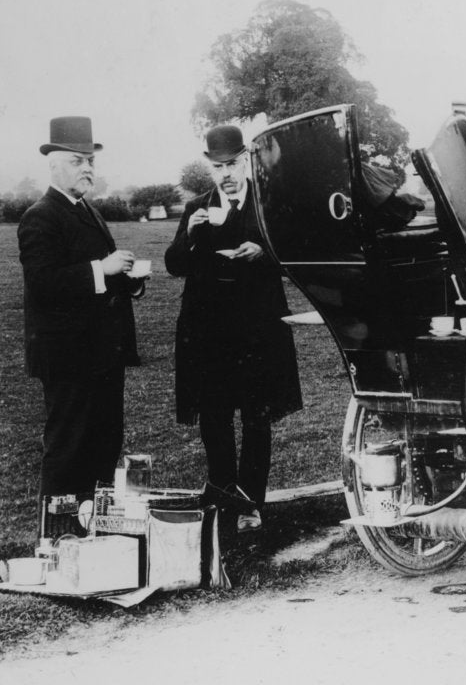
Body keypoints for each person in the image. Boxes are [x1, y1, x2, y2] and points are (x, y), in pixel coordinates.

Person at [165, 125, 302, 532]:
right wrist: (190, 236)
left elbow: (292, 256)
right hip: (208, 329)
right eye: (217, 166)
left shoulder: (266, 204)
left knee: (256, 418)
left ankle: (250, 503)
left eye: (231, 164)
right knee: (214, 416)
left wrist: (264, 252)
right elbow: (174, 264)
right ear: (209, 167)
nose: (225, 173)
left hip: (257, 328)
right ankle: (223, 497)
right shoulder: (197, 208)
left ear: (246, 161)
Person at [18, 116, 146, 500]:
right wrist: (100, 269)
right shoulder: (40, 215)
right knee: (68, 448)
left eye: (90, 160)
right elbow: (42, 284)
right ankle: (57, 539)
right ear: (53, 164)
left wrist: (129, 280)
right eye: (77, 160)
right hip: (68, 357)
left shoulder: (88, 210)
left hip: (103, 354)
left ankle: (93, 535)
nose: (88, 168)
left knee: (103, 445)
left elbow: (100, 276)